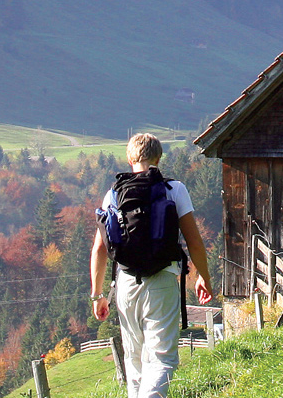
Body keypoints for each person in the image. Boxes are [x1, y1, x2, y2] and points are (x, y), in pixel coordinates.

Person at [90, 133, 213, 398]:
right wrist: (204, 277)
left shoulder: (113, 194)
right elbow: (194, 242)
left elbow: (99, 248)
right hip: (162, 280)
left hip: (125, 284)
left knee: (134, 360)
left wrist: (98, 295)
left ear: (130, 158)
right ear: (159, 157)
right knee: (161, 359)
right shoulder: (174, 189)